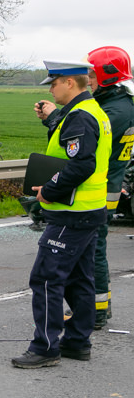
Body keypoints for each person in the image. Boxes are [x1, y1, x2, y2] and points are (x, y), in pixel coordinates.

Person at [13, 60, 110, 368]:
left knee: (45, 279)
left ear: (70, 82)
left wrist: (48, 191)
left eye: (53, 83)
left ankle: (45, 347)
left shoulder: (80, 117)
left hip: (72, 212)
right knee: (79, 279)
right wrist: (52, 119)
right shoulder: (92, 111)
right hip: (89, 210)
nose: (51, 89)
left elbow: (81, 164)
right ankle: (77, 341)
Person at [86, 46, 134, 329]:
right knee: (93, 247)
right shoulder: (124, 105)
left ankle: (97, 310)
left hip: (102, 189)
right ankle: (95, 307)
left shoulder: (113, 112)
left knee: (94, 248)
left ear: (106, 75)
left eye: (91, 74)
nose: (87, 79)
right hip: (111, 186)